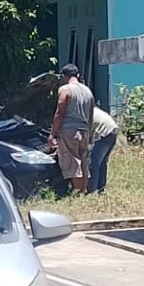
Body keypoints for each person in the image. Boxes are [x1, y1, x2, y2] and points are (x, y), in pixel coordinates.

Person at [49, 64, 96, 194]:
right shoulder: (88, 91)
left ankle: (77, 194)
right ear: (78, 76)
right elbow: (91, 115)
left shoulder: (65, 90)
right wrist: (89, 132)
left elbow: (60, 113)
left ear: (64, 76)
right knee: (83, 161)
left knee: (72, 162)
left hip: (69, 132)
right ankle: (84, 191)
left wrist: (52, 134)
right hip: (84, 130)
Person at [87, 106, 120, 194]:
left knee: (93, 163)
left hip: (105, 134)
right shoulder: (94, 110)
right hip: (113, 131)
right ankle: (101, 187)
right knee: (102, 162)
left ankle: (92, 190)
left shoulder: (85, 113)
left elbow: (85, 134)